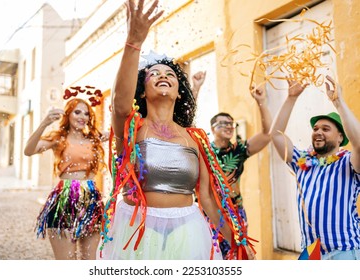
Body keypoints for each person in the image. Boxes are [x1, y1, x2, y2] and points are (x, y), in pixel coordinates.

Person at [98, 0, 255, 260]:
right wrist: (133, 41)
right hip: (137, 231)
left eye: (170, 74)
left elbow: (206, 199)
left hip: (188, 230)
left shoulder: (195, 139)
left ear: (179, 93)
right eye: (154, 73)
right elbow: (119, 104)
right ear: (142, 90)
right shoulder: (132, 128)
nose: (163, 75)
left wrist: (237, 242)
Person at [270, 75, 360, 260]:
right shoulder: (302, 161)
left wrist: (339, 103)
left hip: (343, 253)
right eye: (316, 128)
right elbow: (276, 136)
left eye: (326, 129)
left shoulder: (349, 162)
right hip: (312, 254)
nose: (318, 131)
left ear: (340, 138)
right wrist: (291, 98)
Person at [24, 98, 106, 260]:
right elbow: (29, 150)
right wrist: (44, 123)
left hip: (91, 202)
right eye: (77, 112)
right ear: (68, 114)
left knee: (89, 262)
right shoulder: (58, 138)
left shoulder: (93, 139)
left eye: (86, 114)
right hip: (64, 199)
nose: (82, 116)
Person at [206, 86, 271, 258]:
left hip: (235, 212)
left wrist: (261, 102)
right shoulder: (204, 151)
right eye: (223, 123)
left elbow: (267, 135)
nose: (228, 126)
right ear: (212, 129)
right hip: (209, 212)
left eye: (231, 124)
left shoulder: (239, 150)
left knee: (238, 256)